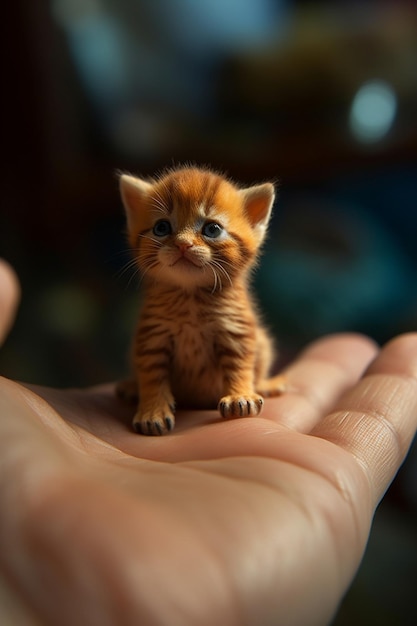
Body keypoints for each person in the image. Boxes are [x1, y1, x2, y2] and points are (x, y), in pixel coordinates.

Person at [0, 258, 416, 626]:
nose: (184, 242)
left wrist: (244, 386)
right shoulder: (159, 301)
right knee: (153, 353)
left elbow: (239, 349)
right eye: (162, 228)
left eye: (212, 229)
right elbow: (152, 356)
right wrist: (153, 396)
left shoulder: (229, 298)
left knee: (247, 346)